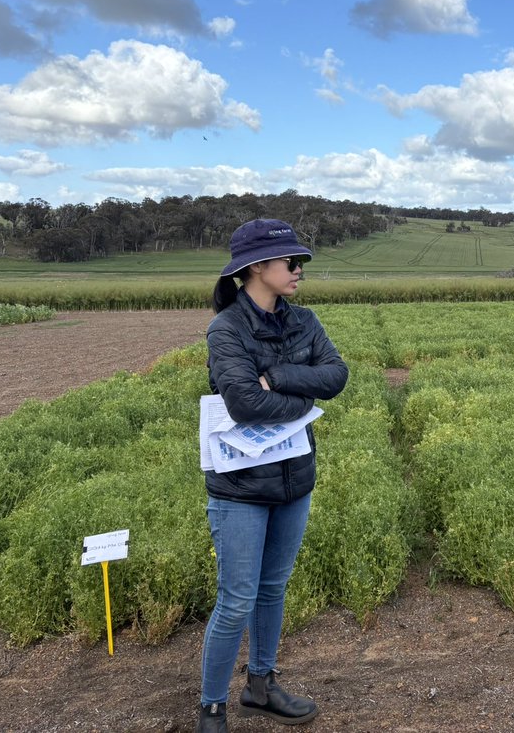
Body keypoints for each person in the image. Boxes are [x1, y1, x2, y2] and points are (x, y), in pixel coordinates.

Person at [199, 219, 349, 732]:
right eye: (291, 260)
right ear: (257, 267)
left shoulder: (304, 320)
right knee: (236, 599)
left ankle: (260, 687)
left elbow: (336, 376)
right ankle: (212, 708)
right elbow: (244, 403)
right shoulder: (227, 329)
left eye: (299, 260)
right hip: (240, 488)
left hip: (293, 479)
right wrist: (304, 400)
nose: (298, 269)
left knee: (272, 588)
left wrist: (281, 378)